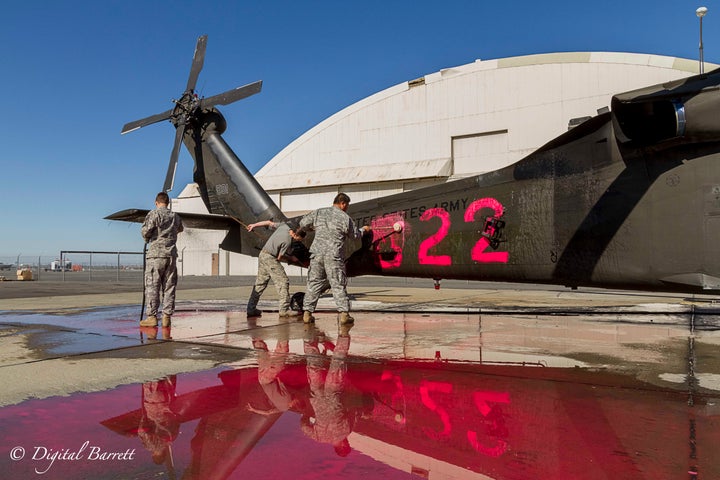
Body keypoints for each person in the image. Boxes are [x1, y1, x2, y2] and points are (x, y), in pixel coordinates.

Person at [299, 193, 371, 325]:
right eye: (347, 205)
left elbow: (303, 223)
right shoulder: (344, 217)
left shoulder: (319, 212)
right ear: (343, 203)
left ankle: (307, 314)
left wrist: (312, 228)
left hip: (317, 254)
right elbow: (355, 235)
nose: (347, 208)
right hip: (333, 255)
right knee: (337, 283)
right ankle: (344, 314)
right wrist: (364, 230)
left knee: (313, 283)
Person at [140, 192, 184, 327]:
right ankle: (166, 317)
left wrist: (149, 236)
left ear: (156, 202)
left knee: (153, 286)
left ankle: (152, 317)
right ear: (168, 202)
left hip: (156, 255)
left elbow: (145, 231)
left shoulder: (154, 214)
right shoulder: (175, 216)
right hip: (171, 255)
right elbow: (180, 229)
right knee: (169, 287)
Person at [246, 220, 307, 317]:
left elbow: (269, 222)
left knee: (260, 284)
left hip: (262, 255)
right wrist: (291, 258)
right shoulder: (287, 241)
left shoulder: (284, 226)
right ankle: (284, 310)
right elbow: (279, 258)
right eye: (299, 239)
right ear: (295, 235)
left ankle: (251, 309)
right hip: (270, 258)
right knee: (283, 281)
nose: (299, 241)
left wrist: (254, 225)